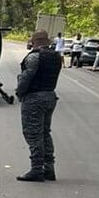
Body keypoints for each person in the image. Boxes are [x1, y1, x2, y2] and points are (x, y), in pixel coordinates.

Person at [16, 30, 61, 182]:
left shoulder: (34, 57)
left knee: (33, 133)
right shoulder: (55, 57)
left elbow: (26, 78)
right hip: (50, 95)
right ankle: (49, 168)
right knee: (45, 133)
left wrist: (19, 92)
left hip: (34, 98)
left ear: (34, 42)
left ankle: (36, 169)